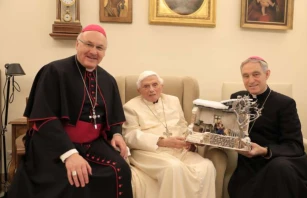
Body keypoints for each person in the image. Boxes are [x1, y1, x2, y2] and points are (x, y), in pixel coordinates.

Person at [8, 24, 133, 198]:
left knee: (121, 170)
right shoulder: (53, 71)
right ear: (77, 44)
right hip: (55, 143)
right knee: (71, 179)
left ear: (105, 52)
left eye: (99, 47)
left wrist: (117, 135)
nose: (93, 51)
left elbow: (113, 117)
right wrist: (69, 154)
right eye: (88, 44)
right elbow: (45, 119)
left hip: (92, 143)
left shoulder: (108, 79)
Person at [122, 71, 216, 198]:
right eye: (146, 86)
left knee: (207, 166)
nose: (151, 90)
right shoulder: (130, 107)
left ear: (161, 86)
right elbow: (130, 136)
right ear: (139, 90)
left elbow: (183, 125)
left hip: (178, 150)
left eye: (155, 85)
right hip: (149, 152)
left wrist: (190, 142)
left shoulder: (173, 100)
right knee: (174, 168)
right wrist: (161, 141)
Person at [228, 56, 307, 198]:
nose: (251, 80)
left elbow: (295, 145)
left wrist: (265, 151)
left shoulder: (285, 103)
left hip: (282, 161)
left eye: (256, 74)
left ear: (267, 74)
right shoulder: (236, 99)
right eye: (245, 76)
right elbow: (227, 129)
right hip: (249, 166)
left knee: (278, 168)